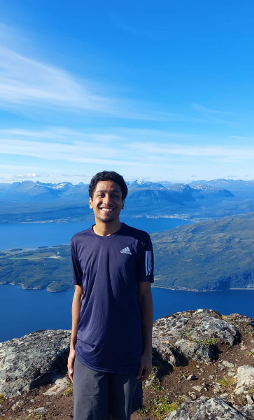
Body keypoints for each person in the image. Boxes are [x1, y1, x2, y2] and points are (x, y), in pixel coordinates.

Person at [68, 170, 154, 420]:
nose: (108, 200)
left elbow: (145, 297)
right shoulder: (78, 242)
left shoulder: (140, 241)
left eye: (115, 195)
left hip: (127, 352)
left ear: (123, 202)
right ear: (91, 201)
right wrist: (72, 347)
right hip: (88, 352)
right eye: (101, 195)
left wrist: (147, 352)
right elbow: (79, 294)